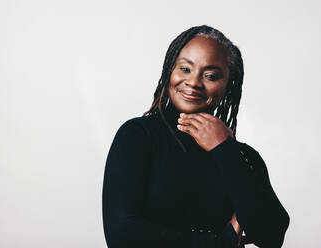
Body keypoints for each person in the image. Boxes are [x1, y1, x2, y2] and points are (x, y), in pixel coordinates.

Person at [102, 25, 290, 248]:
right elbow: (123, 236)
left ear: (228, 85)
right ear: (169, 71)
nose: (193, 82)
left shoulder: (241, 156)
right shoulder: (138, 136)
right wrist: (223, 243)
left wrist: (224, 151)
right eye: (185, 68)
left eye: (210, 75)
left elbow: (271, 235)